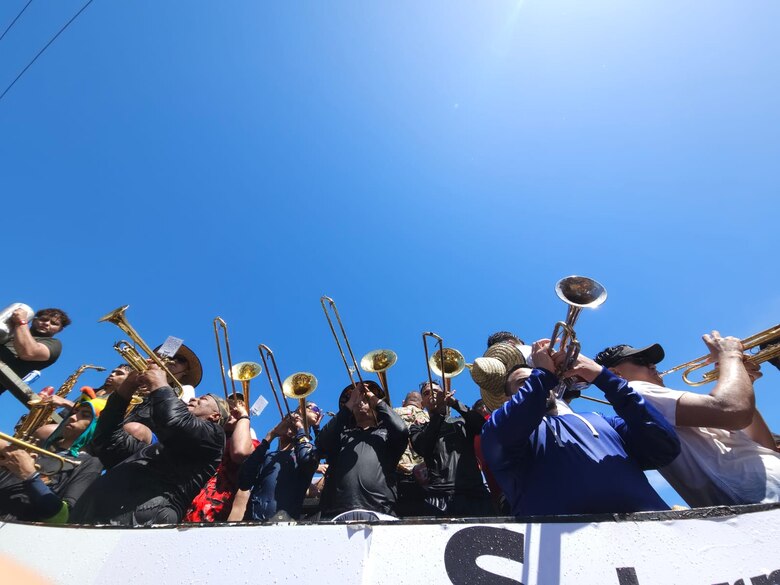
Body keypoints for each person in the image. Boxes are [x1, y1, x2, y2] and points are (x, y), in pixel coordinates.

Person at [481, 339, 681, 517]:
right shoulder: (498, 429)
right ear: (508, 399)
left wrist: (602, 377)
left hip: (655, 534)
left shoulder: (599, 419)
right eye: (525, 382)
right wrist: (542, 374)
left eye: (539, 377)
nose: (542, 380)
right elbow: (505, 432)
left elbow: (665, 446)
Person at [595, 332, 780, 507]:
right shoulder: (637, 391)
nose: (653, 365)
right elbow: (733, 410)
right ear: (616, 373)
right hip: (759, 495)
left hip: (767, 486)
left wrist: (743, 381)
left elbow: (765, 447)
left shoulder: (665, 401)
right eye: (641, 361)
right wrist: (731, 356)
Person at [70, 362, 226, 525]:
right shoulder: (157, 449)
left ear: (214, 416)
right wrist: (126, 389)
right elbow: (107, 442)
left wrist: (160, 384)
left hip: (137, 522)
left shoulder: (215, 436)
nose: (194, 398)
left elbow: (174, 421)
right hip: (90, 517)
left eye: (203, 399)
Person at [0, 391, 105, 523]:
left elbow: (62, 517)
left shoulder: (91, 463)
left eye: (85, 415)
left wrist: (30, 475)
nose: (72, 417)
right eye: (74, 412)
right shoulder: (40, 446)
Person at [315, 380, 408, 519]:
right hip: (338, 513)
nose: (361, 401)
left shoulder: (387, 434)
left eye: (365, 399)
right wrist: (349, 404)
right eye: (357, 399)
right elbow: (321, 442)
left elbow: (401, 430)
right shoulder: (341, 436)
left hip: (382, 511)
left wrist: (374, 399)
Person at [409, 381, 493, 517]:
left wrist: (455, 403)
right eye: (426, 393)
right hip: (438, 497)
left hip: (474, 494)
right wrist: (438, 415)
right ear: (422, 404)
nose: (432, 395)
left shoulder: (461, 421)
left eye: (436, 391)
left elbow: (481, 426)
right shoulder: (418, 428)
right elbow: (423, 447)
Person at [228, 403, 323, 522]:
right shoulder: (268, 456)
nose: (291, 427)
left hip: (284, 525)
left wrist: (300, 429)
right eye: (288, 422)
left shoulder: (305, 455)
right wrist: (270, 436)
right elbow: (244, 481)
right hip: (254, 524)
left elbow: (307, 460)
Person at [184, 395, 258, 523]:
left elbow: (240, 452)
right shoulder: (207, 438)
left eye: (235, 412)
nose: (231, 414)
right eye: (228, 410)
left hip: (213, 519)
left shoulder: (251, 443)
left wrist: (244, 417)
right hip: (183, 513)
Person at [0, 308, 71, 396]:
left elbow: (28, 353)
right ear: (34, 320)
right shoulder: (11, 330)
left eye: (54, 323)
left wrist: (21, 322)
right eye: (43, 319)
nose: (46, 323)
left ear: (60, 329)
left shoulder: (54, 344)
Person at [393, 390, 430, 516]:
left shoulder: (392, 412)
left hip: (397, 475)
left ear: (404, 402)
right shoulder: (430, 416)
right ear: (423, 404)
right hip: (425, 476)